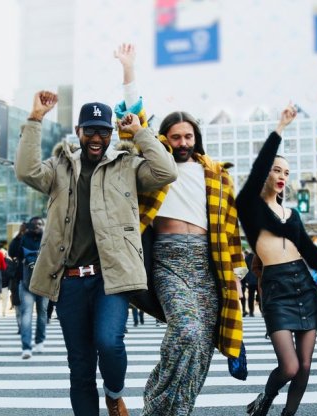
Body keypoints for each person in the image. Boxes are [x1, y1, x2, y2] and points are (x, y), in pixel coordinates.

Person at [15, 52, 176, 414]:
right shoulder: (58, 166)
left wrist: (140, 133)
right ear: (79, 132)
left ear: (110, 133)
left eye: (103, 130)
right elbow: (25, 171)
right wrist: (35, 118)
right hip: (69, 281)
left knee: (110, 342)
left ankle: (116, 392)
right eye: (90, 130)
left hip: (111, 277)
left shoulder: (127, 166)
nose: (97, 137)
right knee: (80, 367)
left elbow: (166, 172)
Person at [236, 104, 317, 416]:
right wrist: (279, 129)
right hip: (275, 287)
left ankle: (288, 414)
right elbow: (258, 168)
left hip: (304, 285)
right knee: (289, 366)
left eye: (286, 172)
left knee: (305, 366)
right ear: (265, 174)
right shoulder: (249, 207)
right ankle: (266, 399)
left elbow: (311, 253)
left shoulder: (293, 214)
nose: (282, 176)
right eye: (276, 170)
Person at [139, 96, 247, 413]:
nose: (183, 142)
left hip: (208, 264)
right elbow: (137, 131)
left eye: (188, 136)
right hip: (167, 260)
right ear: (164, 139)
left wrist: (236, 277)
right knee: (185, 332)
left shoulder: (216, 175)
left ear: (196, 138)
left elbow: (230, 227)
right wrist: (129, 72)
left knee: (202, 346)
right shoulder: (155, 168)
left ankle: (181, 408)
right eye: (175, 137)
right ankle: (155, 402)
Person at [8, 217, 47, 358]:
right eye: (34, 224)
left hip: (44, 282)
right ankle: (26, 347)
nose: (37, 226)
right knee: (26, 315)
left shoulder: (48, 237)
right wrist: (20, 234)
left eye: (40, 224)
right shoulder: (24, 238)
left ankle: (40, 340)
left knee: (42, 314)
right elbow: (12, 253)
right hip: (26, 283)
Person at [242, 250, 259, 317]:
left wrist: (245, 280)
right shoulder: (258, 255)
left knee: (251, 296)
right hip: (257, 278)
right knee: (259, 295)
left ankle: (251, 311)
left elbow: (245, 268)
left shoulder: (247, 257)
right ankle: (261, 310)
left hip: (251, 280)